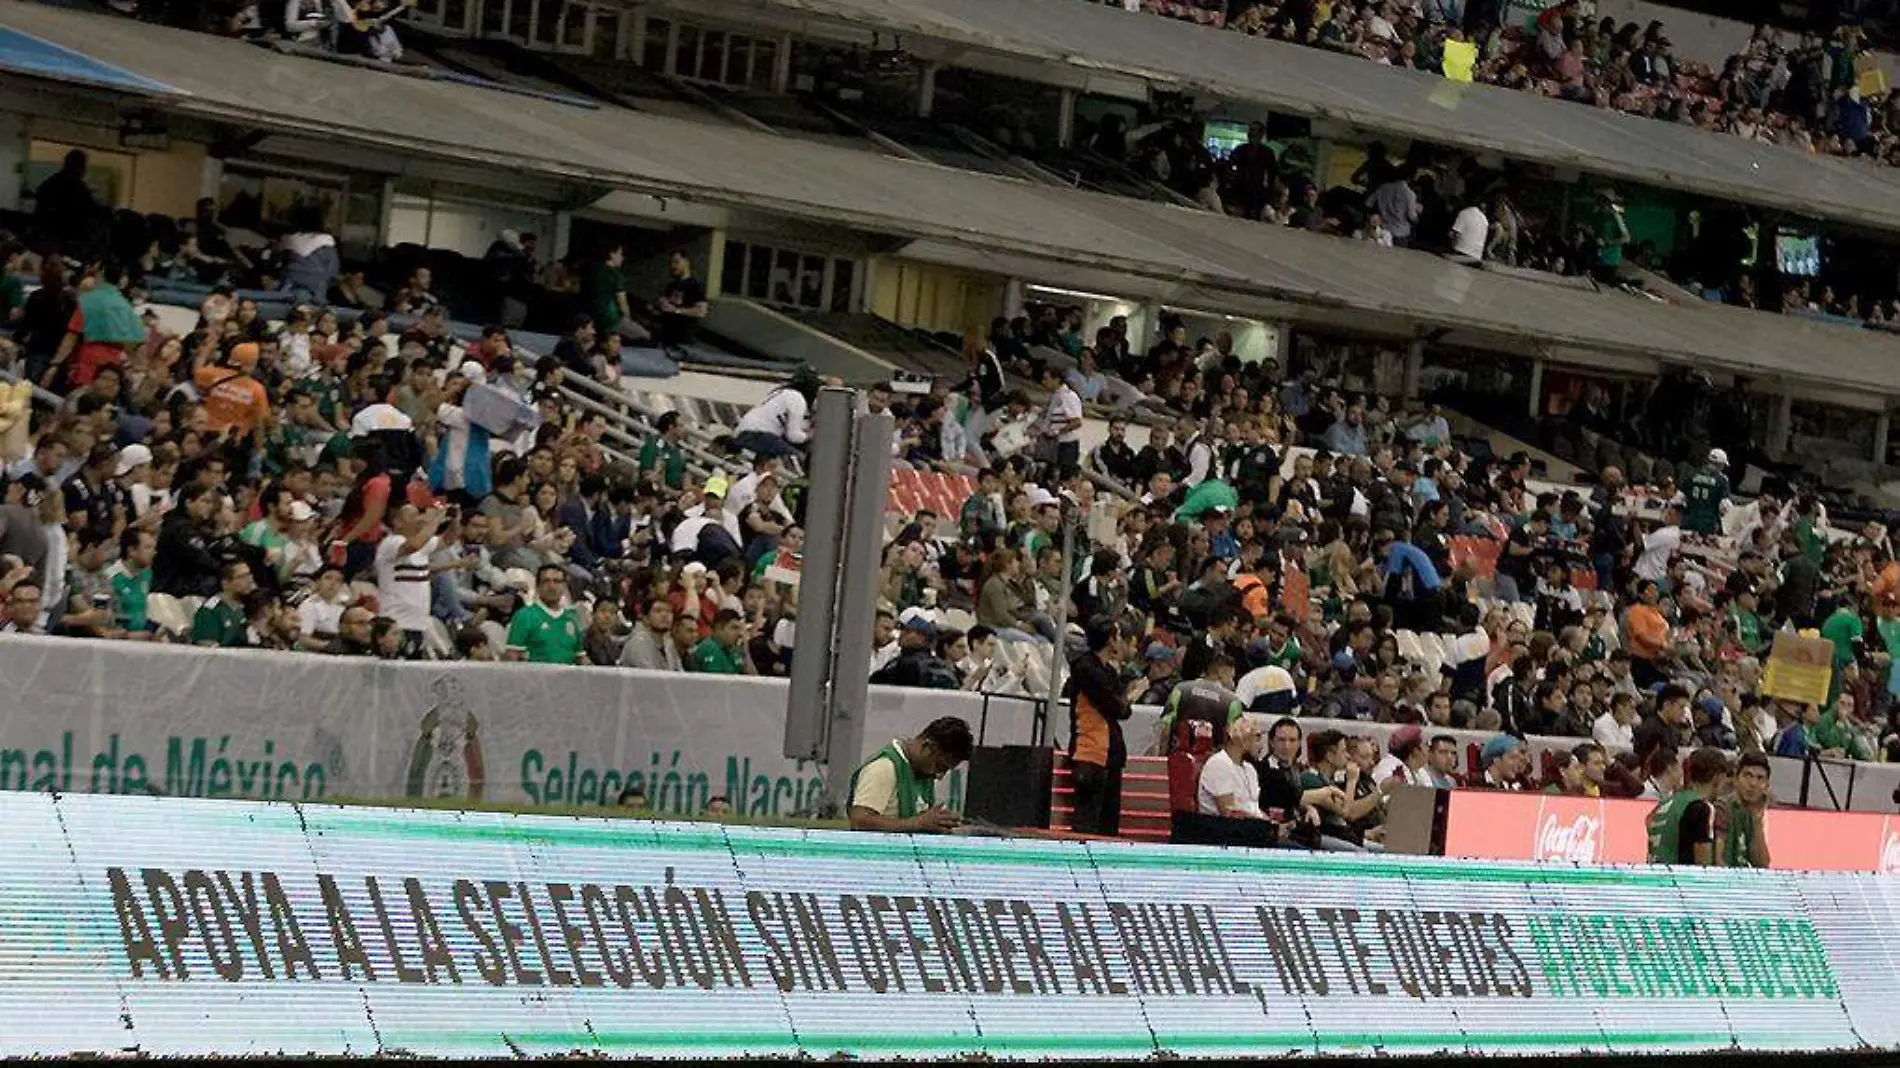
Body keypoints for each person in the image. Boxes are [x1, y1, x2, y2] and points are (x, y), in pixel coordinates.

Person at [847, 715, 974, 833]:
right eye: (940, 766)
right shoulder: (884, 768)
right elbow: (860, 822)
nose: (939, 776)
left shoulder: (921, 773)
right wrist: (917, 823)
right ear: (927, 747)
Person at [1066, 615, 1132, 836]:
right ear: (1111, 640)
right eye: (1119, 636)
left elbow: (1124, 708)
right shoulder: (1086, 668)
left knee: (1108, 824)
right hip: (1090, 753)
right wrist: (1126, 699)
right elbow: (1117, 707)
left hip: (1111, 753)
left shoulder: (1109, 671)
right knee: (1087, 823)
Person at [1645, 747, 1730, 866]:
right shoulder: (1701, 807)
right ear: (1718, 778)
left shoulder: (1662, 805)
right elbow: (1703, 865)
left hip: (1655, 876)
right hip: (1678, 880)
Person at [505, 565, 583, 664]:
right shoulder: (524, 616)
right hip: (535, 678)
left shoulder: (572, 618)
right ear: (537, 586)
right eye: (546, 581)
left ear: (564, 586)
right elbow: (512, 656)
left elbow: (580, 658)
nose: (552, 586)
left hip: (568, 678)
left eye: (557, 581)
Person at [1198, 715, 1268, 819]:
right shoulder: (1219, 764)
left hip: (1250, 828)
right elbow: (1229, 813)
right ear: (1240, 738)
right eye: (1257, 738)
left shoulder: (1250, 769)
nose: (1261, 746)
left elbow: (1254, 809)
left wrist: (1272, 824)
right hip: (1223, 831)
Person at [1718, 752, 1773, 868]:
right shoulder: (1722, 808)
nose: (1753, 784)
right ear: (1735, 779)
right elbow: (1717, 861)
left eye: (1760, 778)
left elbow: (1762, 864)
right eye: (1747, 776)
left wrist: (1757, 821)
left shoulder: (1755, 812)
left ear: (1767, 786)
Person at [191, 560, 255, 649]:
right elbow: (208, 651)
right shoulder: (210, 611)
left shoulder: (252, 605)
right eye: (242, 577)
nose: (250, 580)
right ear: (225, 583)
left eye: (249, 574)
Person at [655, 253, 709, 353]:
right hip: (665, 338)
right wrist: (661, 305)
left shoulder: (695, 285)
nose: (673, 266)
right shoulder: (671, 285)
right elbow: (667, 306)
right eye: (671, 263)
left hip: (683, 340)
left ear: (686, 262)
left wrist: (677, 311)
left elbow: (701, 311)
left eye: (676, 262)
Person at [619, 598, 683, 671]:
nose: (665, 615)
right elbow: (650, 678)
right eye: (658, 611)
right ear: (646, 618)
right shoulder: (637, 643)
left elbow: (680, 674)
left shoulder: (669, 645)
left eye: (669, 611)